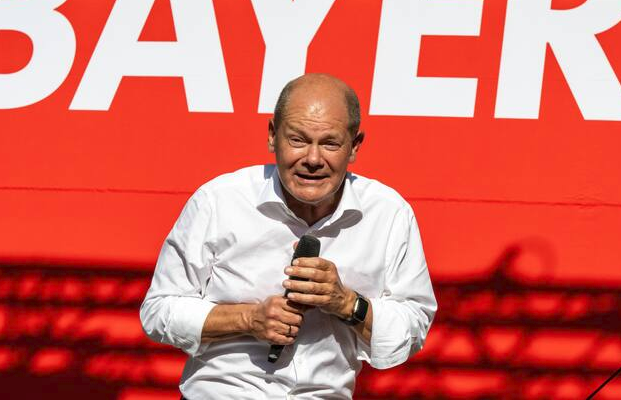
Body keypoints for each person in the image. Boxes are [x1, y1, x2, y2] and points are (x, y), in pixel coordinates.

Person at [140, 73, 437, 399]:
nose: (313, 159)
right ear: (272, 136)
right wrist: (248, 318)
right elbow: (158, 311)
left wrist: (347, 303)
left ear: (354, 146)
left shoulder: (388, 214)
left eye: (330, 143)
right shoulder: (219, 201)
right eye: (298, 140)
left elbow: (413, 326)